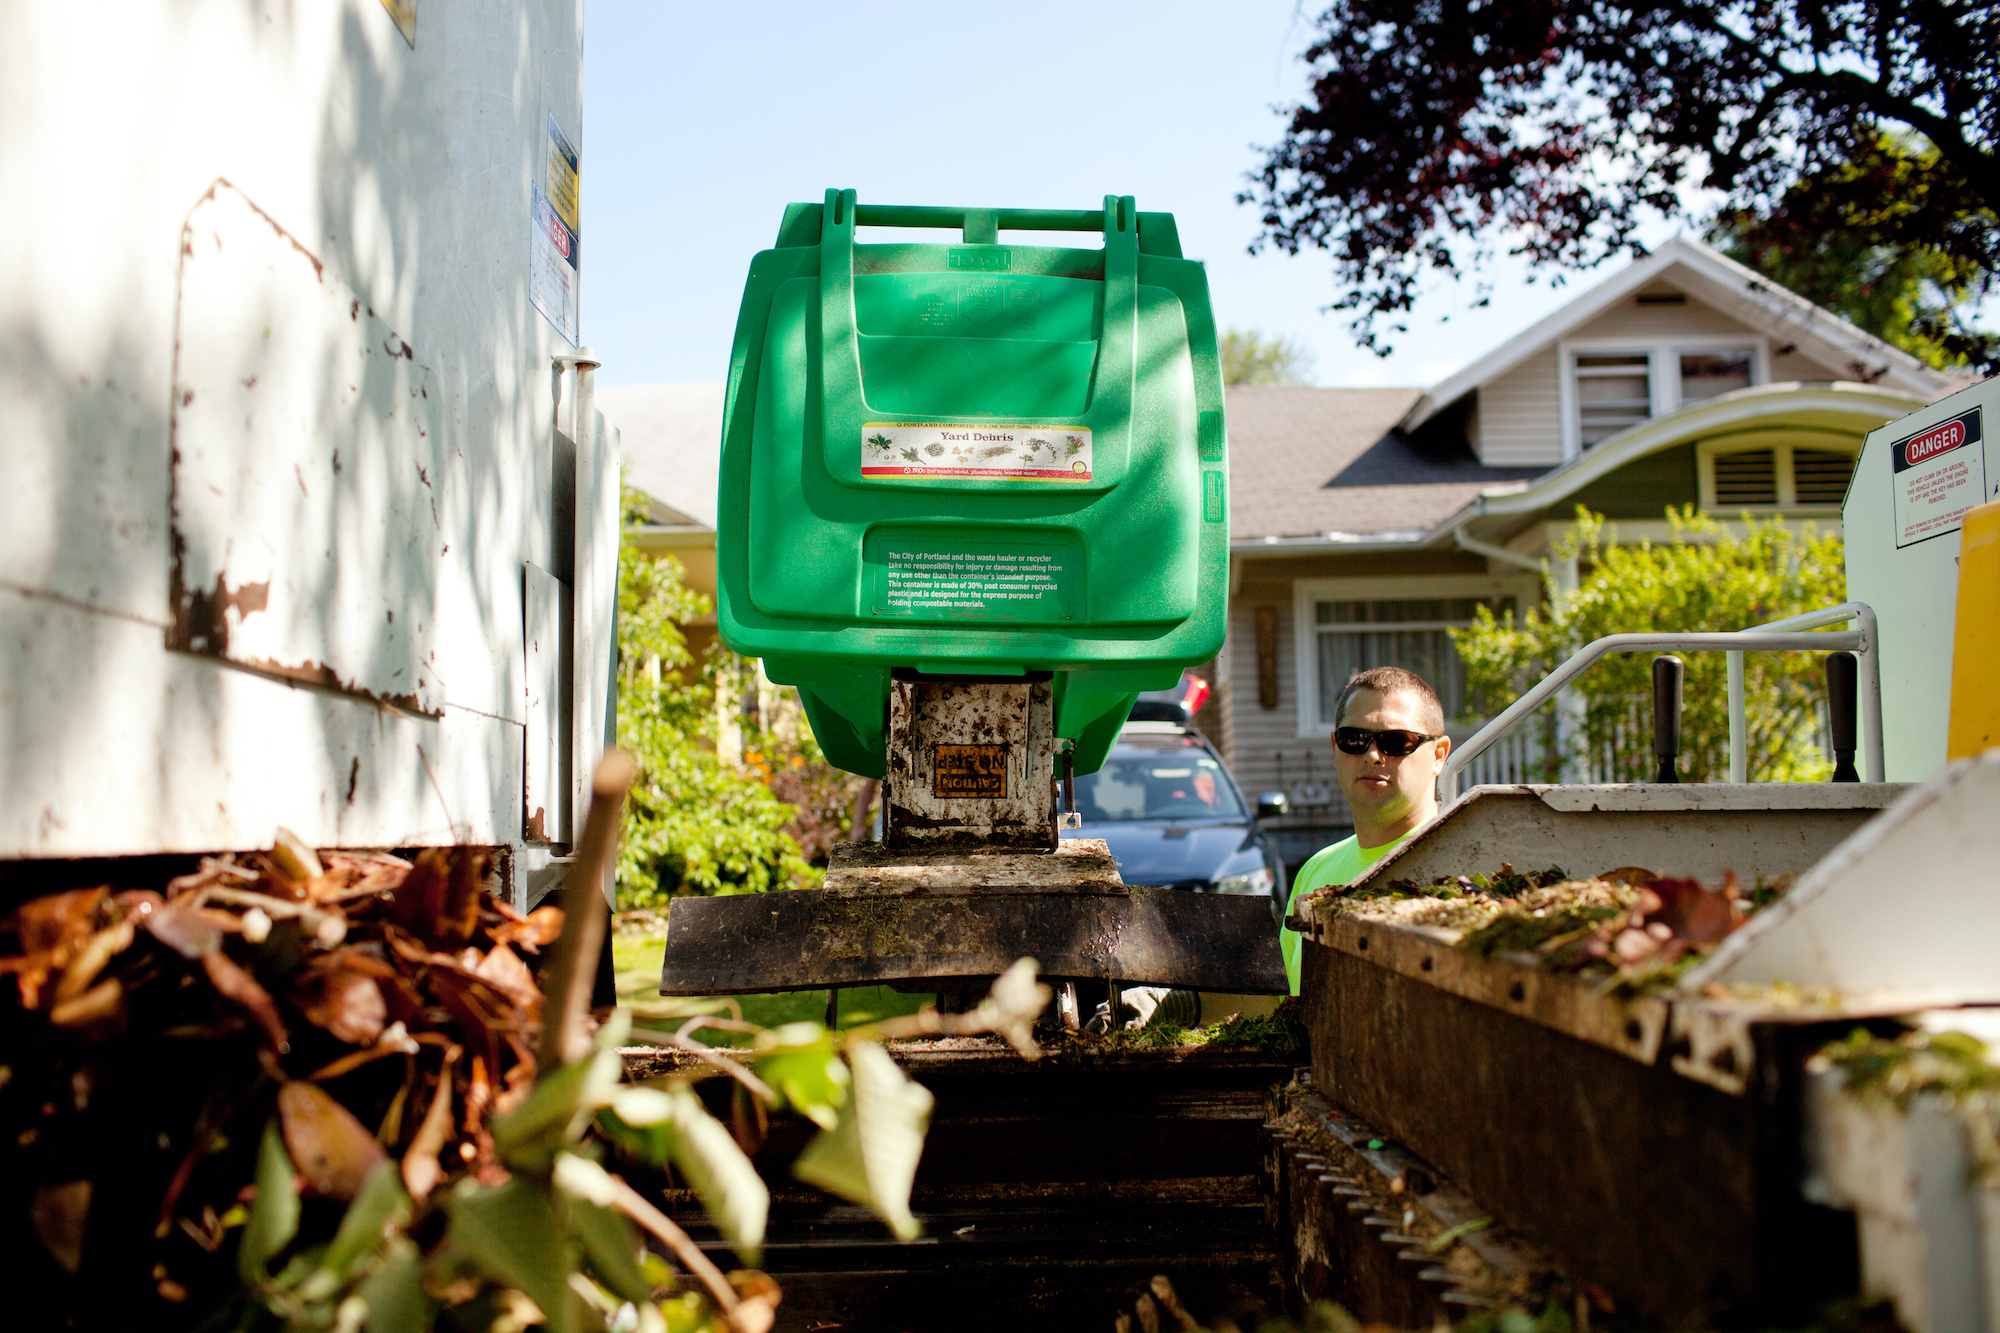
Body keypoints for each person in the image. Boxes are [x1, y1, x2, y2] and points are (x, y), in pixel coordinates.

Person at [1279, 666, 1453, 994]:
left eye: (1397, 741)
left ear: (1439, 755)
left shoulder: (1467, 865)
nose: (1372, 755)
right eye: (1354, 739)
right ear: (1335, 747)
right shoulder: (1313, 872)